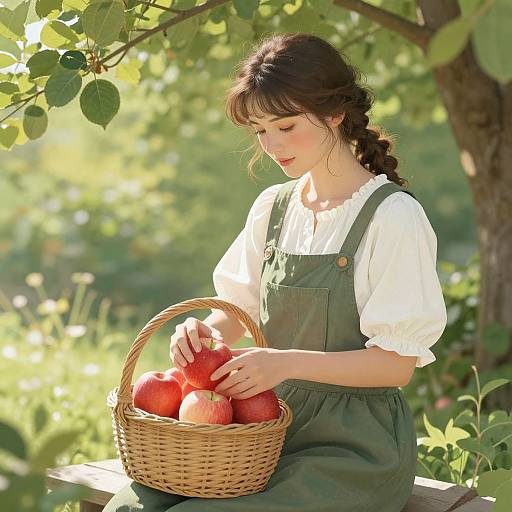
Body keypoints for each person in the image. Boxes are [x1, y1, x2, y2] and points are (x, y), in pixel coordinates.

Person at [104, 31, 447, 512]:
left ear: (335, 114)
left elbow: (396, 365)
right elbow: (240, 309)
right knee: (129, 506)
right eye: (261, 130)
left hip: (351, 449)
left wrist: (285, 362)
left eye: (286, 126)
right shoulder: (274, 208)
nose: (271, 144)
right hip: (256, 429)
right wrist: (202, 331)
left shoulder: (392, 218)